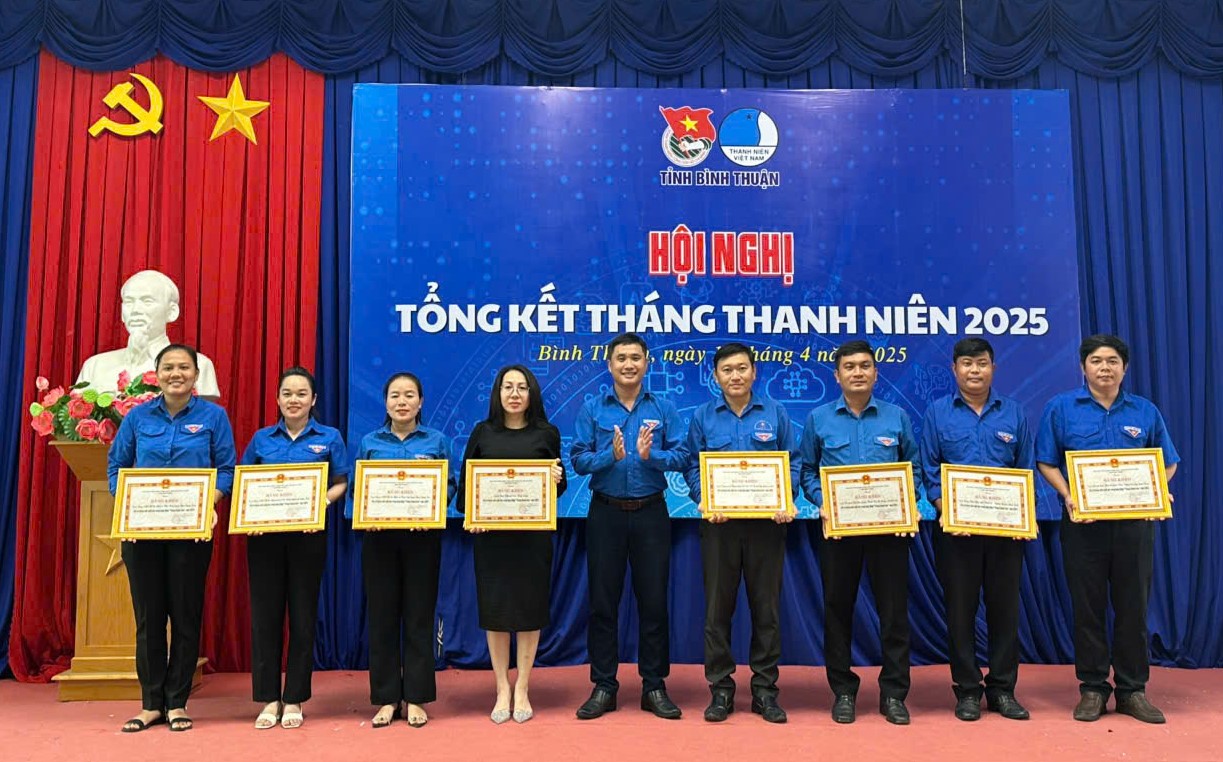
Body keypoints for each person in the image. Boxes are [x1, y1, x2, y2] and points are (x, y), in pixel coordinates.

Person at [1036, 334, 1179, 724]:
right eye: (1096, 360)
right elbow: (1046, 460)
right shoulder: (1061, 409)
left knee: (1133, 608)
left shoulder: (1145, 411)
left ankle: (1133, 690)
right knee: (1088, 608)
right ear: (1083, 367)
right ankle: (1093, 688)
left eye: (1112, 361)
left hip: (1134, 526)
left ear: (1124, 368)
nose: (1105, 368)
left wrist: (1157, 489)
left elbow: (1168, 461)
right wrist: (1069, 495)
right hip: (1083, 526)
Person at [106, 343, 236, 733]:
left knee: (185, 615)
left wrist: (209, 501)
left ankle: (177, 702)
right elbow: (116, 465)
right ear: (157, 374)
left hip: (190, 532)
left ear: (195, 375)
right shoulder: (137, 417)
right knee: (148, 619)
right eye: (168, 367)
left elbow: (227, 469)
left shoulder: (214, 417)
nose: (176, 374)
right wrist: (128, 501)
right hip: (141, 531)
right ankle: (150, 704)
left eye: (183, 367)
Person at [799, 339, 917, 725]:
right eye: (849, 367)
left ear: (876, 373)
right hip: (839, 531)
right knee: (838, 610)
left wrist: (906, 502)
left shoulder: (896, 417)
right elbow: (806, 471)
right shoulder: (818, 419)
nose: (858, 373)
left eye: (865, 366)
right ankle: (843, 691)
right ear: (837, 376)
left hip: (889, 531)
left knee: (894, 612)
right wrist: (823, 502)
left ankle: (894, 694)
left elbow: (913, 467)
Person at [571, 333, 687, 721]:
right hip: (605, 514)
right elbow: (578, 461)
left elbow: (683, 456)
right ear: (609, 365)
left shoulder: (664, 407)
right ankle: (604, 685)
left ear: (646, 363)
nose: (628, 364)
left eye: (636, 357)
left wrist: (652, 456)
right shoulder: (592, 408)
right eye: (621, 358)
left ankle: (654, 686)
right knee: (603, 603)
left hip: (651, 513)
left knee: (653, 602)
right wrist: (610, 456)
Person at [918, 338, 1033, 721]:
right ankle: (967, 690)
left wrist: (1020, 516)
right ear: (954, 369)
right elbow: (929, 470)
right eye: (966, 363)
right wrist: (948, 512)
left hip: (1005, 532)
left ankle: (1003, 690)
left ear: (993, 368)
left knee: (1004, 612)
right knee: (960, 612)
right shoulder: (937, 413)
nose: (974, 370)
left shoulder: (1013, 413)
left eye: (981, 363)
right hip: (956, 533)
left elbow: (1024, 468)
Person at [683, 342, 798, 724]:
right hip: (720, 527)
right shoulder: (703, 416)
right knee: (718, 611)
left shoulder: (775, 412)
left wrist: (786, 497)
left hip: (767, 527)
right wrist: (704, 499)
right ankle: (721, 689)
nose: (735, 376)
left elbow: (793, 462)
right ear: (716, 376)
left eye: (742, 368)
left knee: (767, 611)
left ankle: (765, 690)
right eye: (727, 370)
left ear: (754, 372)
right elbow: (691, 465)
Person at [240, 367, 349, 729]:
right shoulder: (261, 439)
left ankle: (294, 698)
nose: (294, 400)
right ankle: (269, 698)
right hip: (264, 539)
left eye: (302, 393)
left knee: (303, 617)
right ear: (277, 399)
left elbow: (341, 481)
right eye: (287, 393)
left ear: (313, 399)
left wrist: (322, 503)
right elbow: (244, 482)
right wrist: (249, 515)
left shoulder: (329, 437)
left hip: (308, 536)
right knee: (266, 617)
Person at [461, 364, 566, 724]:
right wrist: (473, 516)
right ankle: (501, 688)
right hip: (492, 540)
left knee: (529, 610)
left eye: (522, 387)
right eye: (508, 387)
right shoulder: (482, 432)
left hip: (532, 539)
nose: (515, 394)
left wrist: (556, 478)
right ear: (498, 393)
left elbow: (558, 488)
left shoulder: (547, 433)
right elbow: (467, 486)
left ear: (531, 393)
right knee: (496, 612)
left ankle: (522, 686)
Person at [352, 372, 456, 728]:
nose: (402, 401)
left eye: (409, 395)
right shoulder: (369, 442)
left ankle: (416, 696)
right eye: (395, 395)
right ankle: (386, 698)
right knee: (382, 617)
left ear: (420, 402)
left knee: (418, 616)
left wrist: (433, 507)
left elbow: (451, 485)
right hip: (379, 539)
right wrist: (367, 514)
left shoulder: (437, 441)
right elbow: (358, 489)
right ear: (386, 403)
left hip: (422, 538)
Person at [78, 270, 221, 397]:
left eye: (147, 301)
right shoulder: (95, 366)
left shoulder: (199, 365)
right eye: (129, 302)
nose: (135, 310)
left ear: (172, 312)